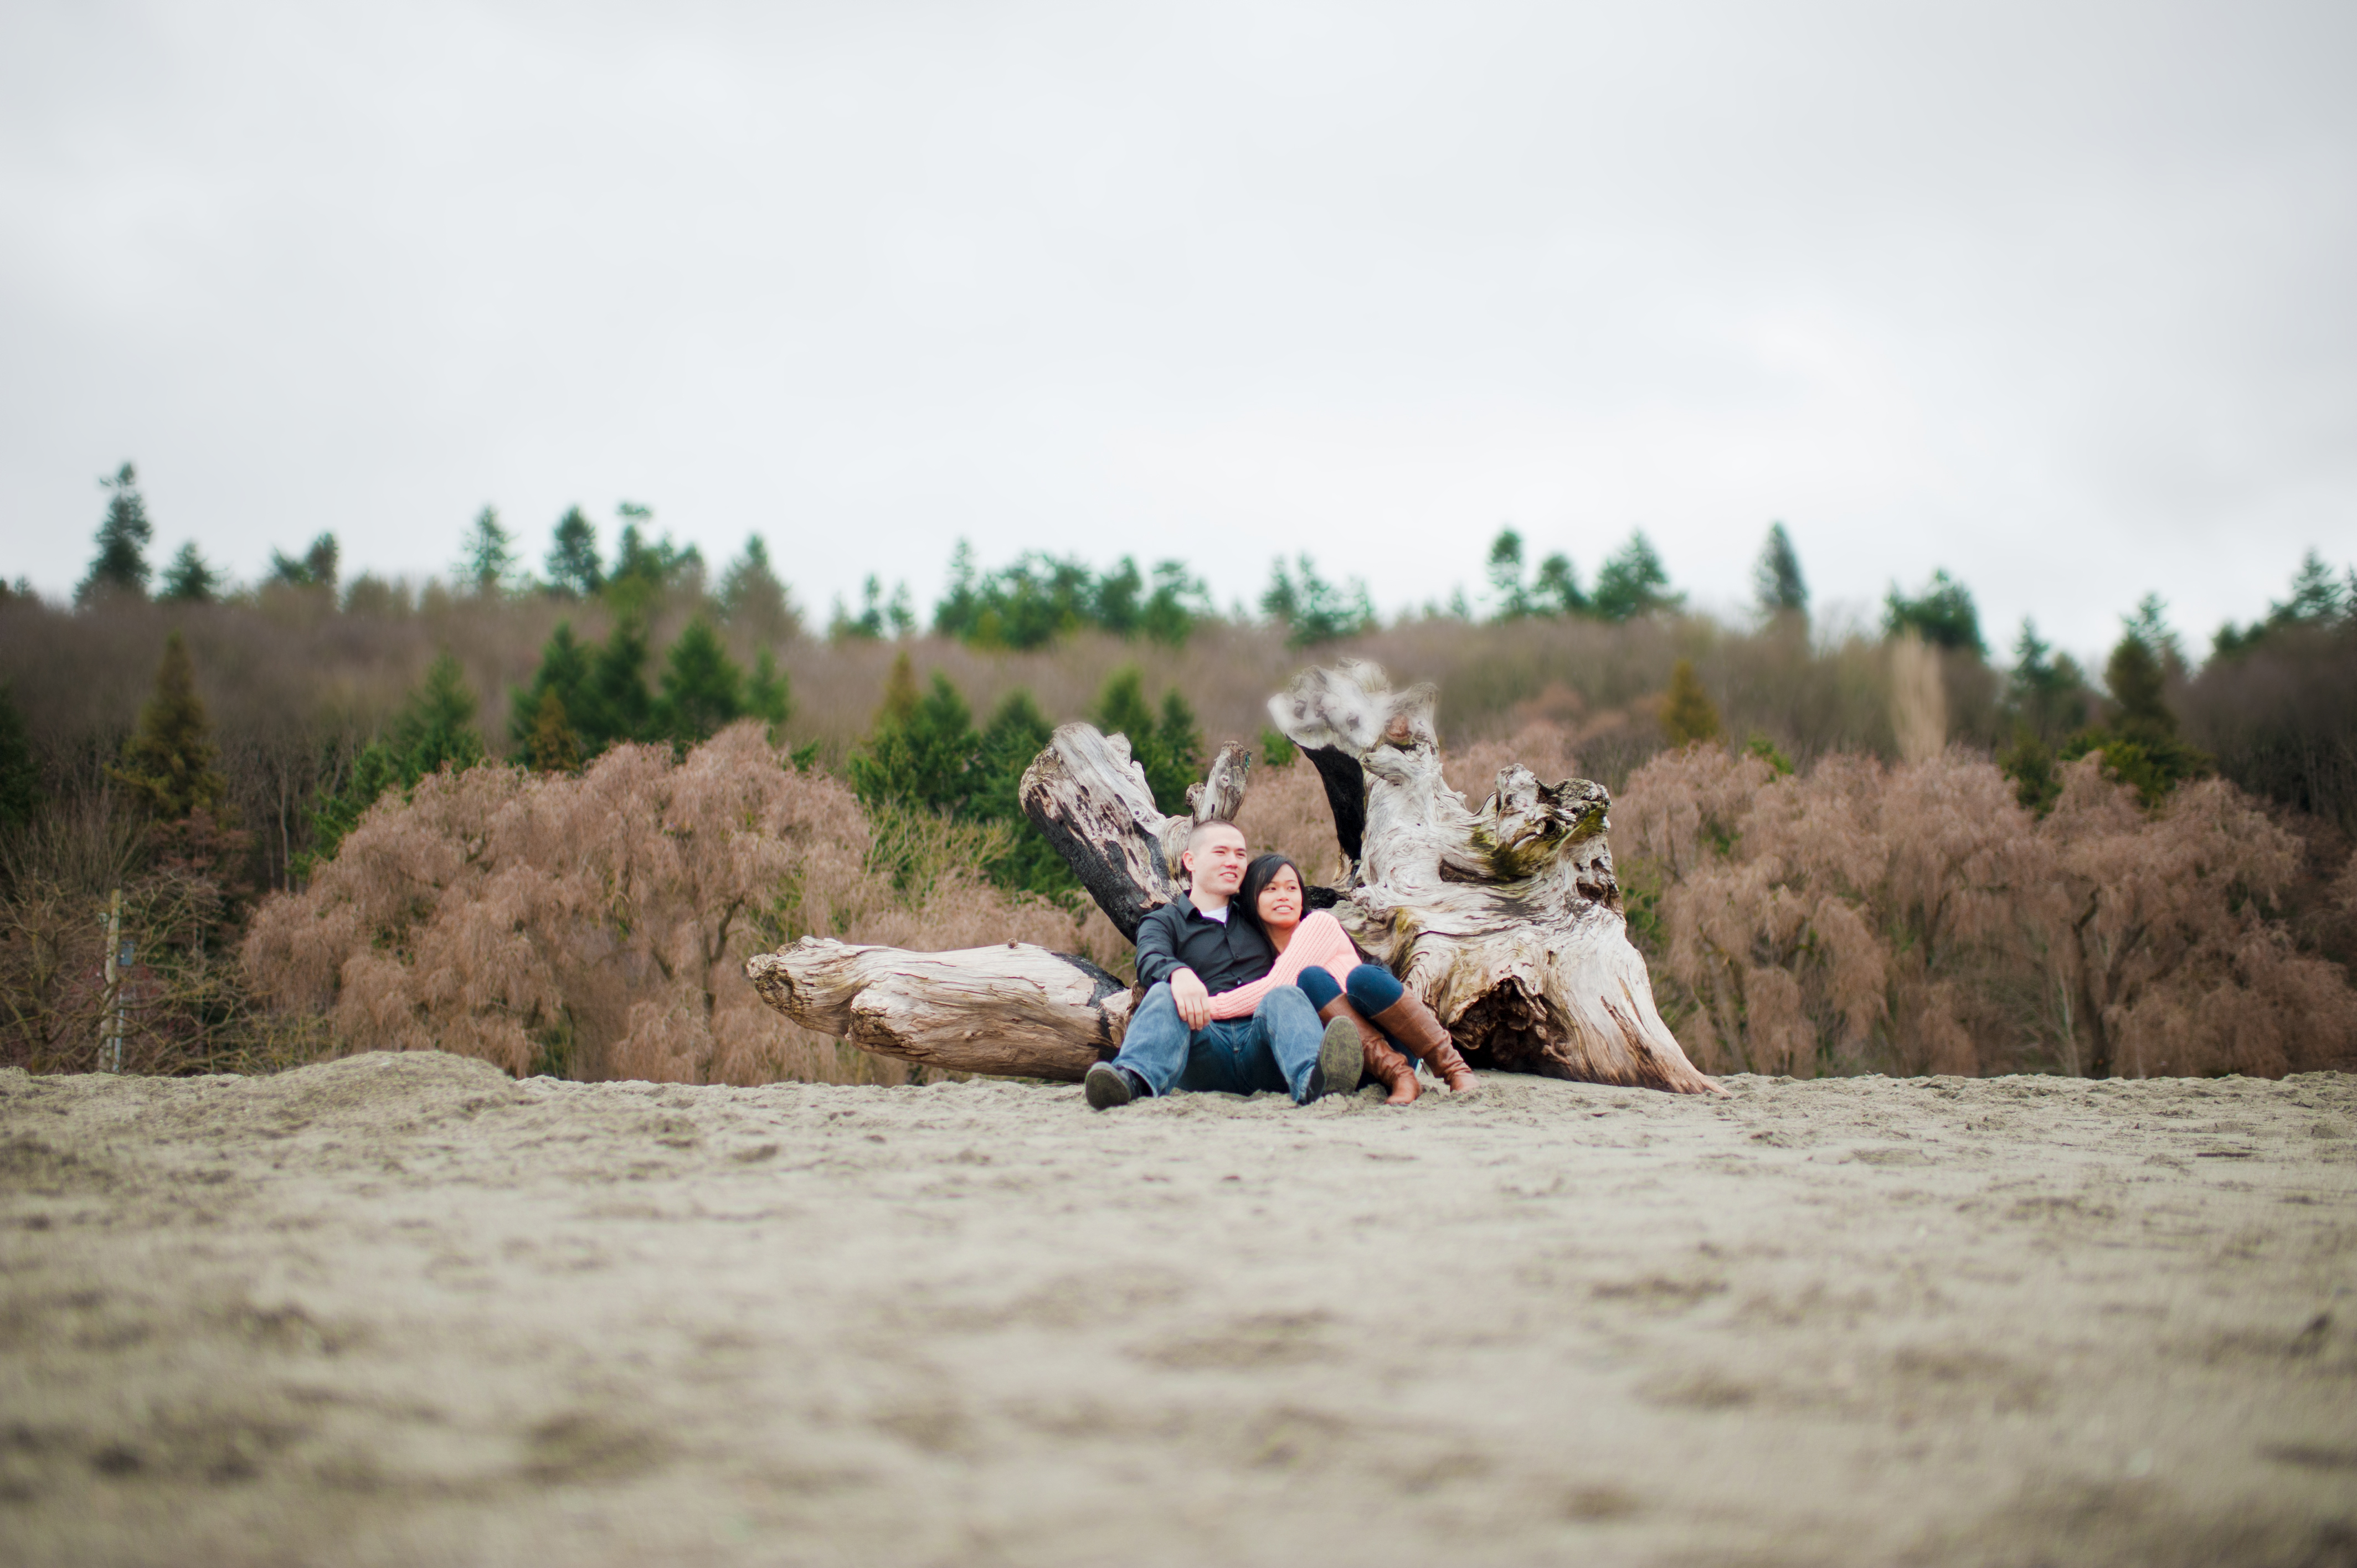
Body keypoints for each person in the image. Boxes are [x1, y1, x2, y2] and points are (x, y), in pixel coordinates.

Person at [1082, 821, 1363, 1111]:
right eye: (1221, 852)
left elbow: (1300, 947)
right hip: (1203, 1044)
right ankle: (1131, 1082)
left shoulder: (1259, 915)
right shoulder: (1164, 921)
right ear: (1190, 861)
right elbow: (1149, 958)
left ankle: (1313, 1083)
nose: (1233, 862)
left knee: (1285, 995)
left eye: (1241, 855)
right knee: (1165, 993)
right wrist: (1179, 973)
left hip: (1263, 1046)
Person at [1218, 853, 1479, 1105]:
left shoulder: (1319, 924)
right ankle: (1399, 1076)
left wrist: (1204, 1007)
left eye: (1292, 888)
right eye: (1271, 889)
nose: (1284, 897)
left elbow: (1276, 985)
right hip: (1347, 1067)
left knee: (1349, 977)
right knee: (1309, 982)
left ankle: (1454, 1070)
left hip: (1394, 1046)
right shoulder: (1263, 959)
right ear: (1252, 898)